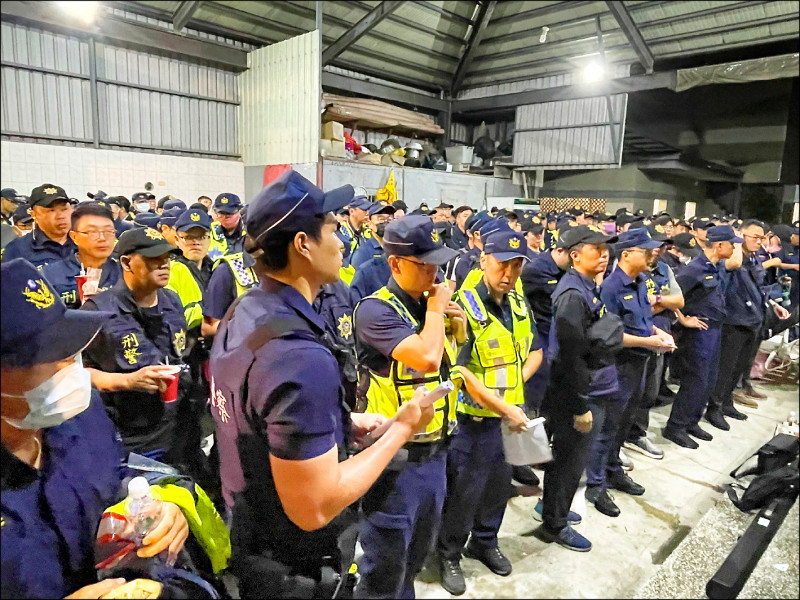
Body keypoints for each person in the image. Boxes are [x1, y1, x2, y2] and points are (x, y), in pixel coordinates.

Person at [207, 170, 435, 598]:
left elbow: (260, 416)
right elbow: (314, 506)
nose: (342, 241)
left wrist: (337, 425)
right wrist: (404, 427)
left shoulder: (247, 311)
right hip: (295, 565)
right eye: (332, 228)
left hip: (253, 532)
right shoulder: (298, 355)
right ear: (302, 245)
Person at [1, 258, 196, 600]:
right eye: (49, 356)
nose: (72, 367)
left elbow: (117, 471)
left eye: (71, 348)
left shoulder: (79, 414)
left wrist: (163, 505)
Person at [353, 214, 463, 598]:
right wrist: (437, 310)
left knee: (415, 555)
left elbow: (447, 362)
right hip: (393, 462)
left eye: (438, 262)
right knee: (385, 564)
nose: (434, 273)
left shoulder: (427, 308)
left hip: (435, 454)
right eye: (424, 264)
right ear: (395, 263)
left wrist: (456, 325)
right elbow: (426, 360)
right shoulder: (375, 310)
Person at [436, 229, 538, 596]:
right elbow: (457, 372)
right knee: (464, 492)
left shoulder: (518, 305)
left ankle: (485, 541)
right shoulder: (461, 307)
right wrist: (503, 404)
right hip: (472, 423)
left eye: (516, 266)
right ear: (483, 261)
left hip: (508, 421)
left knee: (498, 488)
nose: (508, 273)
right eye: (501, 264)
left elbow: (535, 351)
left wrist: (516, 390)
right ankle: (448, 552)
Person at [533, 226, 622, 552]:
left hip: (583, 388)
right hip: (580, 393)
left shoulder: (586, 287)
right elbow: (567, 357)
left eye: (605, 249)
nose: (603, 254)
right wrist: (580, 406)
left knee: (565, 460)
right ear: (574, 255)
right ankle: (553, 526)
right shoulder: (573, 294)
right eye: (596, 249)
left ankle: (550, 507)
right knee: (570, 462)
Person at [80, 227, 189, 463]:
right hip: (131, 436)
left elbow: (181, 351)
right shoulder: (98, 311)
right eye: (154, 259)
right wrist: (126, 380)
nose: (164, 265)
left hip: (178, 426)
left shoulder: (172, 300)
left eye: (167, 258)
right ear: (127, 263)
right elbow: (73, 372)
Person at [587, 229, 675, 518]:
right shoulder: (612, 288)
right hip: (617, 365)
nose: (653, 255)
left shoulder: (640, 283)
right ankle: (596, 484)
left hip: (639, 364)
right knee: (606, 427)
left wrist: (658, 332)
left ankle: (613, 470)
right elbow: (610, 335)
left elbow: (641, 320)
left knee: (623, 424)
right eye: (645, 251)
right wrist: (647, 342)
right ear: (626, 254)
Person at [662, 226, 742, 449]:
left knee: (708, 379)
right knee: (695, 379)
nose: (735, 247)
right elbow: (669, 297)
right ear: (719, 246)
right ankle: (676, 426)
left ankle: (691, 421)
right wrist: (683, 318)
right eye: (731, 244)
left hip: (714, 328)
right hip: (698, 332)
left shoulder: (715, 267)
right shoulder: (693, 270)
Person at [707, 220, 790, 430]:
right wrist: (735, 244)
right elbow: (731, 268)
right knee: (725, 369)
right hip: (734, 321)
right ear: (740, 236)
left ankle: (727, 402)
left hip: (752, 320)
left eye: (762, 237)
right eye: (754, 237)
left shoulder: (753, 259)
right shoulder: (733, 258)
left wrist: (772, 304)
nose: (759, 241)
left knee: (738, 368)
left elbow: (758, 287)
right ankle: (714, 408)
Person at [520, 228, 573, 415]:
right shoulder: (536, 270)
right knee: (537, 393)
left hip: (559, 335)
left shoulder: (569, 271)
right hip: (541, 334)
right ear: (560, 251)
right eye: (572, 255)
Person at [42, 202, 122, 308]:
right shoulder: (50, 275)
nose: (102, 238)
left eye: (108, 231)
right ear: (74, 237)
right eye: (92, 232)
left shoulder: (125, 272)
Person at [3, 184, 77, 269]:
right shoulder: (17, 250)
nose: (60, 216)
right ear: (34, 214)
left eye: (64, 209)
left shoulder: (85, 242)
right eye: (51, 211)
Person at [350, 201, 395, 270]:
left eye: (390, 218)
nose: (386, 222)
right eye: (381, 219)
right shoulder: (363, 252)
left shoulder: (398, 249)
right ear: (370, 223)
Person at [208, 193, 246, 260]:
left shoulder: (249, 233)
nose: (224, 217)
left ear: (240, 212)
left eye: (229, 214)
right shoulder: (209, 231)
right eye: (221, 214)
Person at [336, 195, 371, 264]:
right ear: (352, 211)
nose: (368, 212)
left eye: (369, 209)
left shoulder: (369, 231)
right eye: (364, 209)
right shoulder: (340, 232)